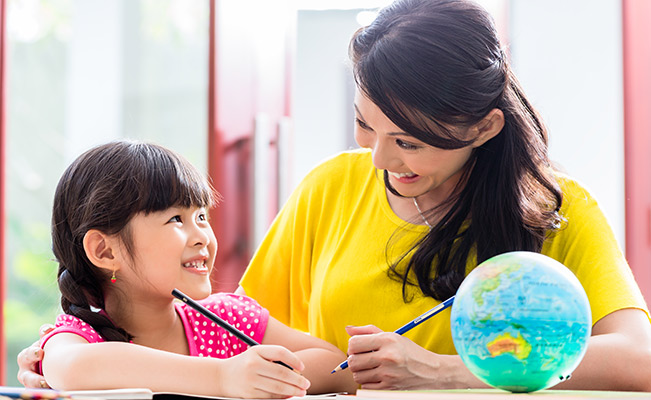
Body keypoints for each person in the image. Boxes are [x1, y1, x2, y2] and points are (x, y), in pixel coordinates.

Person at [18, 0, 651, 392]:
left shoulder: (553, 209)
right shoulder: (332, 186)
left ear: (484, 127)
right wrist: (80, 358)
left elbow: (637, 361)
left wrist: (450, 371)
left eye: (410, 141)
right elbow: (238, 339)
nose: (378, 159)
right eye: (366, 125)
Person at [20, 140, 355, 398]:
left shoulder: (226, 319)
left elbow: (338, 366)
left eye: (202, 217)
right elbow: (76, 369)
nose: (202, 237)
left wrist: (268, 375)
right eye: (176, 219)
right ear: (105, 250)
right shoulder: (77, 337)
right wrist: (225, 377)